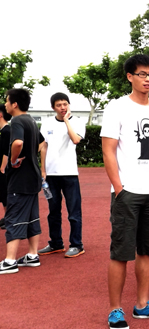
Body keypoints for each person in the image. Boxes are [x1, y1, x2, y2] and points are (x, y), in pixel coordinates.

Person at [101, 55, 149, 329]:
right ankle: (115, 309)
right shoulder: (117, 107)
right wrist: (119, 188)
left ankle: (142, 305)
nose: (148, 79)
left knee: (148, 250)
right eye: (142, 74)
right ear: (130, 76)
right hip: (128, 192)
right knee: (121, 252)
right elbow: (108, 150)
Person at [38, 93, 86, 258]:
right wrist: (43, 170)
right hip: (51, 175)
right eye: (59, 105)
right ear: (53, 107)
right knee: (53, 211)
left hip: (70, 174)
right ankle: (56, 243)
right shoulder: (47, 123)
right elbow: (43, 147)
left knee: (74, 211)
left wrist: (66, 121)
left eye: (65, 104)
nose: (62, 107)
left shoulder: (77, 121)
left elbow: (75, 140)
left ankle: (76, 244)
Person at [0, 88, 43, 275]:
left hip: (20, 179)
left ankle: (10, 261)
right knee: (32, 217)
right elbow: (42, 143)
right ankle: (32, 255)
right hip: (33, 177)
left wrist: (13, 159)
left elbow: (18, 142)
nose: (5, 104)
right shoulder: (31, 120)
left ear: (15, 104)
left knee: (14, 217)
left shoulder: (17, 121)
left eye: (7, 100)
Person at [0, 104, 12, 230]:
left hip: (5, 169)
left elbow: (6, 152)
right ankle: (7, 217)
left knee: (4, 193)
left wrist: (2, 168)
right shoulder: (3, 130)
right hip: (3, 169)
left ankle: (9, 218)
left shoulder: (7, 131)